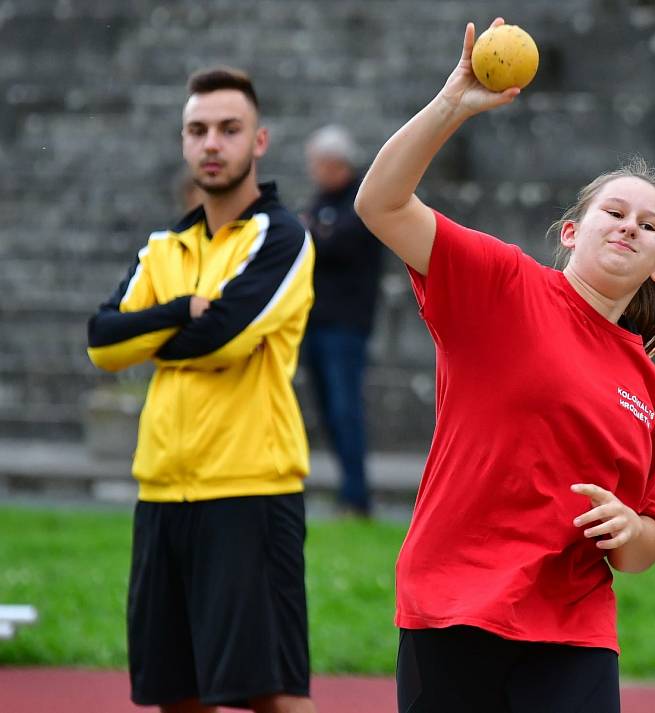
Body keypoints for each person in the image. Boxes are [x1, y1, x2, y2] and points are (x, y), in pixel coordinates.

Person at [354, 19, 655, 713]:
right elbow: (380, 204)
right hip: (453, 602)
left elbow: (646, 538)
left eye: (648, 223)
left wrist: (632, 532)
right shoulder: (502, 285)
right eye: (614, 210)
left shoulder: (650, 393)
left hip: (572, 625)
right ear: (573, 230)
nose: (629, 224)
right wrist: (453, 101)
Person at [87, 67, 317, 713]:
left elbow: (221, 338)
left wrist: (158, 330)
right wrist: (181, 308)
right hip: (161, 491)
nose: (211, 142)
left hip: (250, 491)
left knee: (274, 693)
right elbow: (102, 341)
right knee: (177, 695)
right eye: (197, 130)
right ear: (184, 141)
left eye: (228, 128)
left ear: (259, 140)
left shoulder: (282, 236)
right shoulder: (164, 246)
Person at [302, 125, 383, 516]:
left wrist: (314, 232)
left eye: (320, 163)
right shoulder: (323, 201)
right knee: (327, 409)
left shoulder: (360, 202)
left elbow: (331, 243)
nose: (315, 170)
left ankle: (356, 494)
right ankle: (347, 491)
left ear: (337, 164)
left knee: (344, 408)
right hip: (315, 323)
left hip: (345, 326)